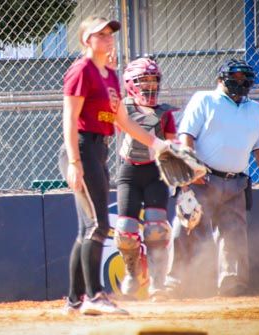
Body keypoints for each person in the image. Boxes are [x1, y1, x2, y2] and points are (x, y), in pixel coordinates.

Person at [59, 16, 173, 316]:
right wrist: (74, 162)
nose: (109, 38)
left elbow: (123, 121)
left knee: (87, 228)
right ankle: (94, 296)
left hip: (99, 150)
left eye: (110, 33)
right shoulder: (82, 70)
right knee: (99, 226)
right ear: (86, 40)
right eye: (101, 34)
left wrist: (158, 144)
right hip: (82, 147)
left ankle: (73, 300)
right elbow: (69, 119)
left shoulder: (109, 74)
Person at [166, 58, 259, 297]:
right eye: (235, 77)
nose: (241, 82)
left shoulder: (257, 110)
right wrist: (191, 170)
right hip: (202, 179)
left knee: (234, 234)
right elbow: (186, 137)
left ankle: (232, 285)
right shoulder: (204, 99)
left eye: (245, 78)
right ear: (221, 78)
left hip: (236, 182)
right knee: (187, 226)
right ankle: (173, 283)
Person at [114, 56, 177, 301]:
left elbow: (172, 146)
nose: (150, 86)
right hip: (130, 171)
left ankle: (158, 283)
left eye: (154, 80)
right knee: (126, 229)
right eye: (143, 81)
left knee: (156, 229)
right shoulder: (122, 109)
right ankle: (133, 273)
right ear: (130, 83)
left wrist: (184, 177)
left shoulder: (165, 113)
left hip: (156, 173)